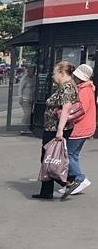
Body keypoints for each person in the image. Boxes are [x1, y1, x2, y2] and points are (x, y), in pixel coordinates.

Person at [33, 60, 79, 200]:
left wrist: (59, 131)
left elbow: (66, 109)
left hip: (56, 128)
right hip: (54, 127)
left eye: (54, 73)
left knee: (50, 158)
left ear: (61, 73)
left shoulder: (67, 87)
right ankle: (46, 191)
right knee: (49, 158)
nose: (53, 76)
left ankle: (68, 181)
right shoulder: (65, 86)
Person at [61, 63, 95, 197]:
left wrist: (65, 117)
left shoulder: (83, 90)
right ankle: (74, 181)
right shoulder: (88, 88)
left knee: (67, 155)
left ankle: (80, 178)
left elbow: (80, 110)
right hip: (86, 128)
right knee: (73, 155)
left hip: (79, 128)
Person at [18, 65, 36, 133]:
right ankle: (22, 127)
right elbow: (20, 88)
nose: (33, 72)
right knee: (27, 113)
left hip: (32, 98)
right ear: (29, 71)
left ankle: (27, 127)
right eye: (32, 71)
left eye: (34, 71)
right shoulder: (24, 79)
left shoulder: (34, 78)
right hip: (25, 98)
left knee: (30, 113)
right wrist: (20, 97)